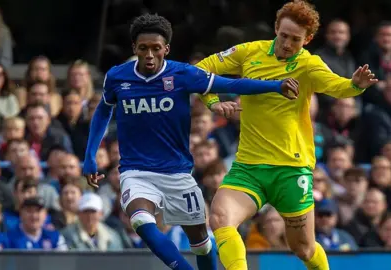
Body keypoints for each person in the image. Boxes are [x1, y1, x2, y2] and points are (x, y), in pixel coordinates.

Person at [83, 14, 299, 270]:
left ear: (166, 49)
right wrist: (90, 156)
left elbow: (230, 82)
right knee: (141, 221)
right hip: (136, 170)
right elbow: (103, 111)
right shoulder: (117, 77)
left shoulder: (182, 74)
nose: (150, 54)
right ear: (134, 49)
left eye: (156, 48)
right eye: (143, 48)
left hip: (177, 172)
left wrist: (275, 86)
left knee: (202, 244)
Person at [196, 1, 378, 269]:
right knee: (221, 218)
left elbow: (335, 86)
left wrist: (355, 85)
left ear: (308, 40)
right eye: (283, 35)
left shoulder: (308, 64)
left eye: (296, 39)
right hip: (249, 168)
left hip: (291, 171)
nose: (287, 44)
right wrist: (213, 103)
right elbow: (201, 70)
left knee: (303, 249)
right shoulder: (249, 52)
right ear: (276, 28)